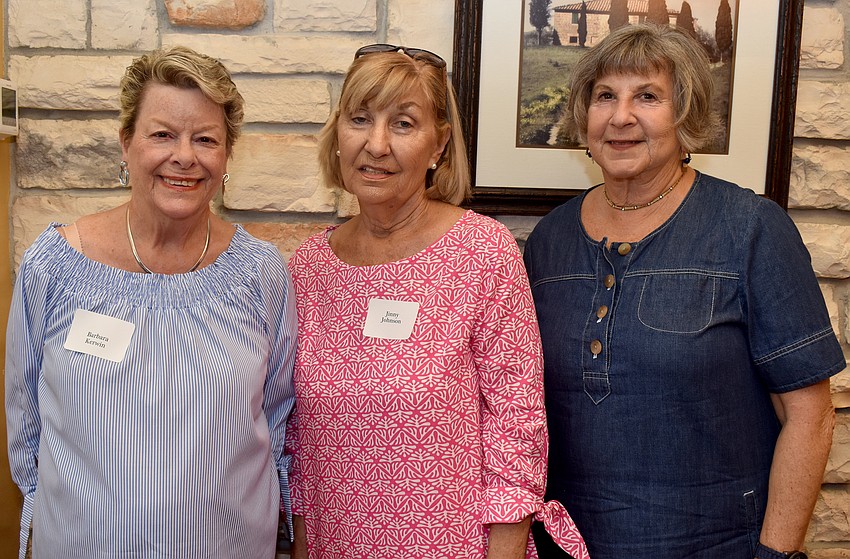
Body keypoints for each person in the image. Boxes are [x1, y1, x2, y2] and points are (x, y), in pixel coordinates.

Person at [523, 24, 845, 559]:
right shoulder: (550, 240)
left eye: (647, 96)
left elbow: (809, 415)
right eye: (605, 96)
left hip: (719, 546)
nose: (621, 116)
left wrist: (776, 553)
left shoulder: (751, 229)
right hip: (566, 544)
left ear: (685, 114)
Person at [285, 44, 588, 559]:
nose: (376, 145)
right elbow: (300, 447)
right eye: (360, 119)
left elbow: (516, 430)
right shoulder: (307, 269)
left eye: (403, 124)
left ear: (439, 145)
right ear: (338, 135)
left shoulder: (483, 252)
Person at [5, 46, 297, 558]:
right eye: (163, 134)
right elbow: (25, 428)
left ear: (227, 156)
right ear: (126, 143)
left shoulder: (260, 273)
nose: (184, 156)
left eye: (205, 139)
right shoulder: (52, 267)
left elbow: (275, 426)